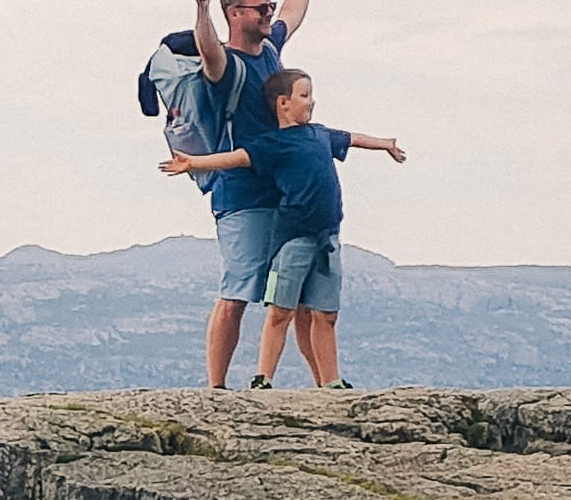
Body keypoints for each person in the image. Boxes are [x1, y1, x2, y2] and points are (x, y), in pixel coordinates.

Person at [162, 67, 405, 390]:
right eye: (304, 95)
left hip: (327, 238)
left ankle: (331, 381)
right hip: (292, 238)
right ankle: (263, 376)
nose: (312, 101)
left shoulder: (320, 134)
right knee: (281, 310)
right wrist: (194, 162)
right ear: (283, 103)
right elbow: (237, 158)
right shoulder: (272, 144)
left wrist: (385, 143)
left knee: (325, 314)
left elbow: (352, 138)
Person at [190, 0, 321, 389]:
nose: (268, 14)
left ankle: (323, 383)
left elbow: (292, 14)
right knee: (237, 295)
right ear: (235, 13)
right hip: (241, 196)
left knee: (296, 296)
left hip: (282, 193)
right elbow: (208, 51)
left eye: (267, 6)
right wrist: (202, 9)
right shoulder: (228, 66)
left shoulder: (269, 51)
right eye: (258, 8)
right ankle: (216, 389)